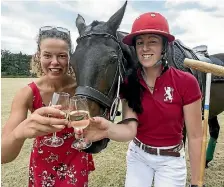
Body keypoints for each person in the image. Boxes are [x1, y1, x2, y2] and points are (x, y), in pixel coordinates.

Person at [76, 12, 203, 187]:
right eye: (140, 42)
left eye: (153, 41)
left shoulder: (186, 82)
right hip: (138, 156)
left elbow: (195, 136)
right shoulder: (129, 82)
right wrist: (107, 130)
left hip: (171, 162)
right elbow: (130, 129)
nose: (145, 48)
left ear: (164, 46)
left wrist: (197, 182)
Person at [1, 26, 95, 187]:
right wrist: (19, 133)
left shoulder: (82, 88)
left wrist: (86, 130)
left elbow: (94, 123)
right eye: (47, 55)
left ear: (69, 58)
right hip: (43, 164)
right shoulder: (27, 94)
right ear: (38, 56)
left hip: (76, 159)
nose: (54, 62)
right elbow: (3, 156)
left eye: (61, 56)